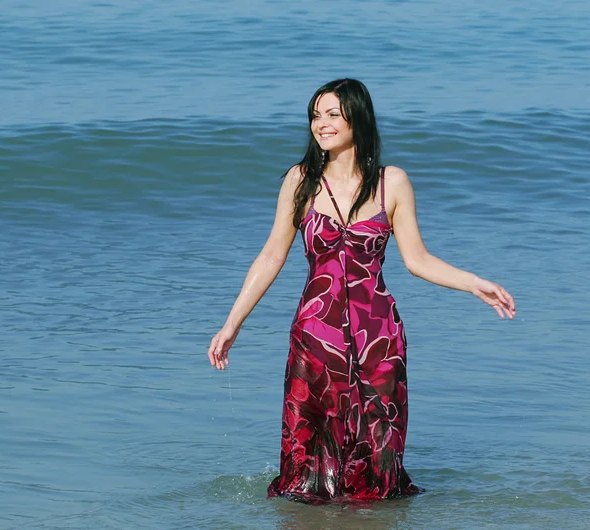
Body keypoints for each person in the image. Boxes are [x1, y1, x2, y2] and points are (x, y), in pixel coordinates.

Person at [207, 78, 516, 504]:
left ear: (358, 118)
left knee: (377, 449)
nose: (322, 124)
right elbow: (270, 257)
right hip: (316, 337)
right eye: (316, 115)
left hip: (379, 338)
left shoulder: (393, 183)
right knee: (310, 458)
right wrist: (232, 324)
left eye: (333, 114)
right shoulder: (301, 181)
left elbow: (418, 260)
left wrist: (473, 283)